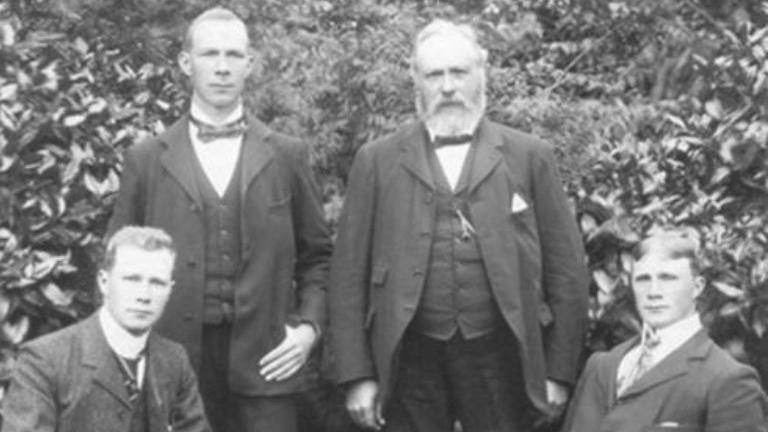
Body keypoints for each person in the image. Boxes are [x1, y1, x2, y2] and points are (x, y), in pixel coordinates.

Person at [327, 19, 589, 432]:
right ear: (416, 80)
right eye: (434, 74)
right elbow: (346, 277)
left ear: (481, 73)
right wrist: (357, 375)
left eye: (458, 73)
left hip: (501, 354)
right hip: (408, 355)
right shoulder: (376, 160)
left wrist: (558, 371)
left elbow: (567, 271)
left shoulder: (529, 155)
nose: (448, 87)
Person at [107, 7, 332, 432]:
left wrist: (307, 331)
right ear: (186, 63)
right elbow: (117, 264)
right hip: (171, 363)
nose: (223, 67)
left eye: (234, 55)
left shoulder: (287, 155)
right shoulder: (146, 159)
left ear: (251, 64)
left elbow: (319, 257)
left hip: (269, 364)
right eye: (211, 54)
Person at [1, 226, 209, 432]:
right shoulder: (45, 360)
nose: (144, 295)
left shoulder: (174, 359)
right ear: (104, 282)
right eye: (132, 279)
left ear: (170, 290)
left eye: (157, 283)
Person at [561, 227, 768, 432]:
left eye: (668, 278)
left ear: (697, 287)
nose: (654, 292)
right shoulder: (601, 366)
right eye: (643, 279)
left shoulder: (727, 380)